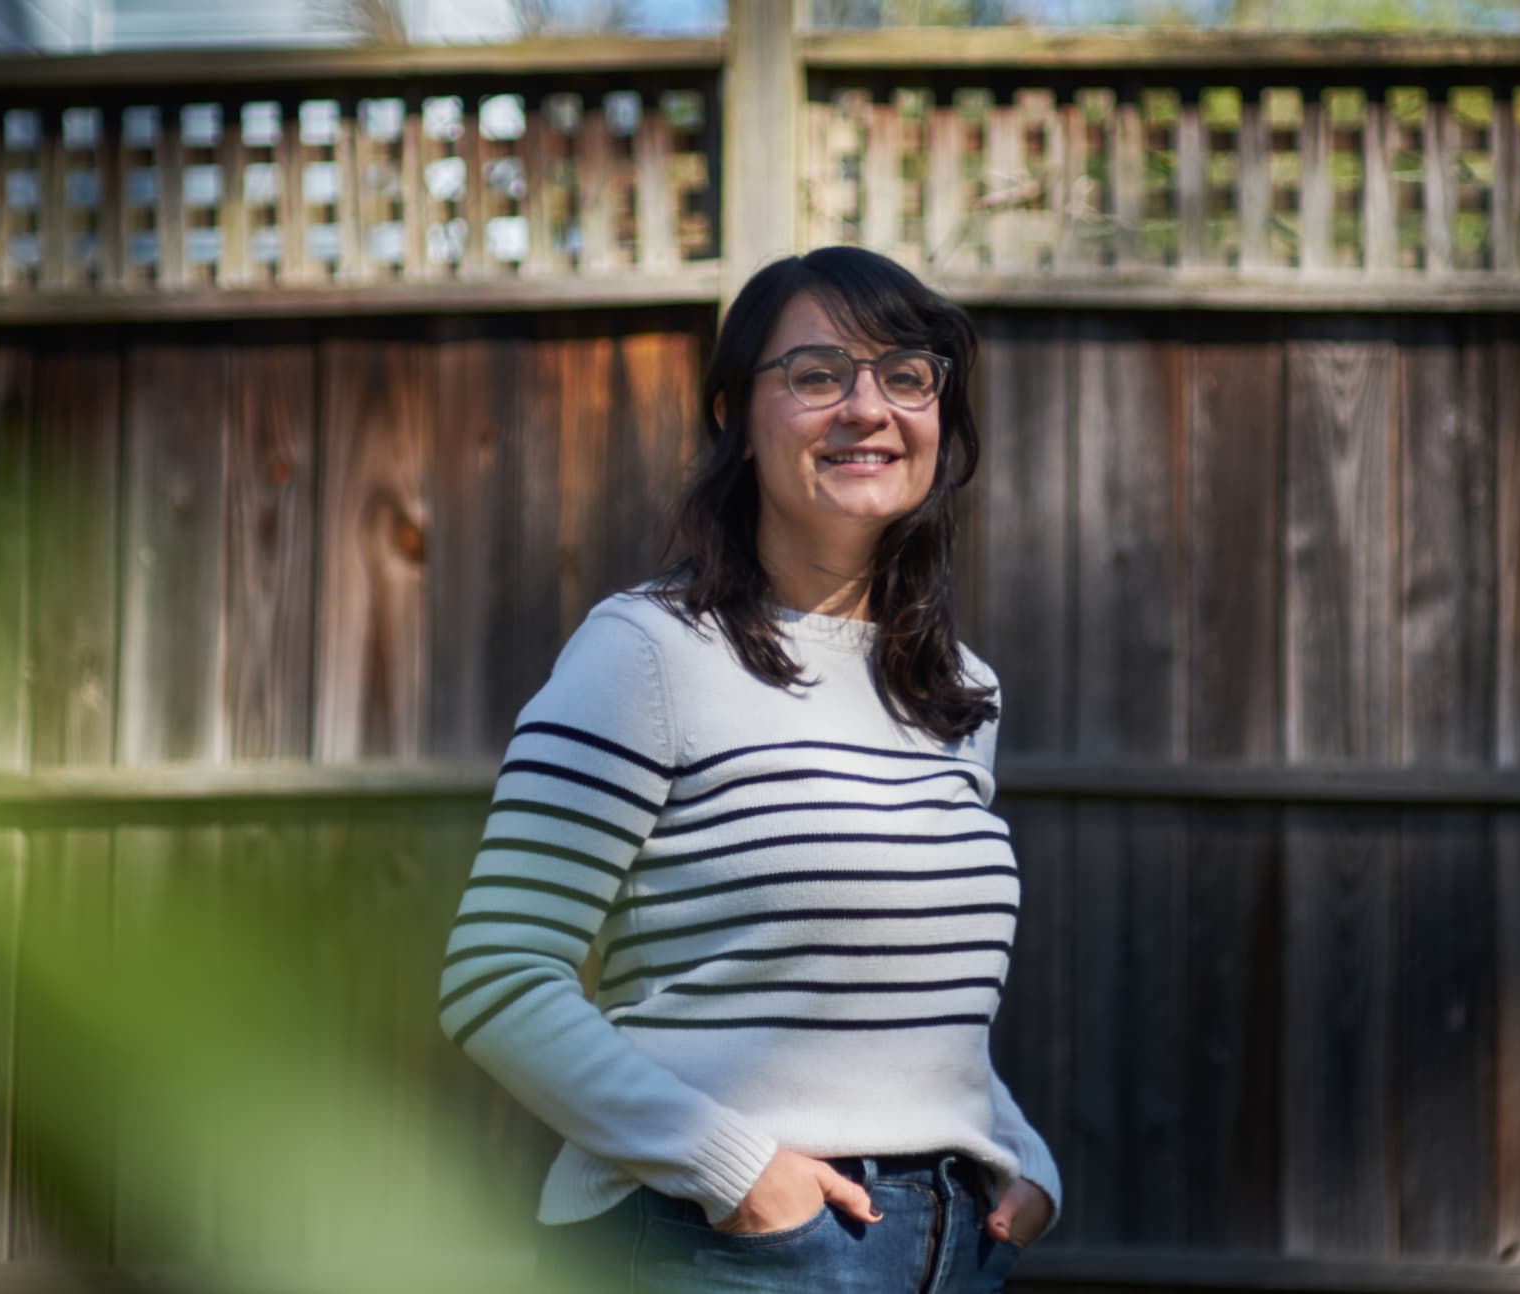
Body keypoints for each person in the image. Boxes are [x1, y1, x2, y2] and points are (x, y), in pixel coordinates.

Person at [437, 246, 1060, 1293]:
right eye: (816, 374)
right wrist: (742, 1178)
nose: (867, 408)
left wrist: (1018, 1153)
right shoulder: (644, 653)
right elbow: (495, 980)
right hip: (718, 1248)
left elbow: (893, 998)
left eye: (906, 374)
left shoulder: (958, 690)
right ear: (732, 417)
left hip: (951, 1253)